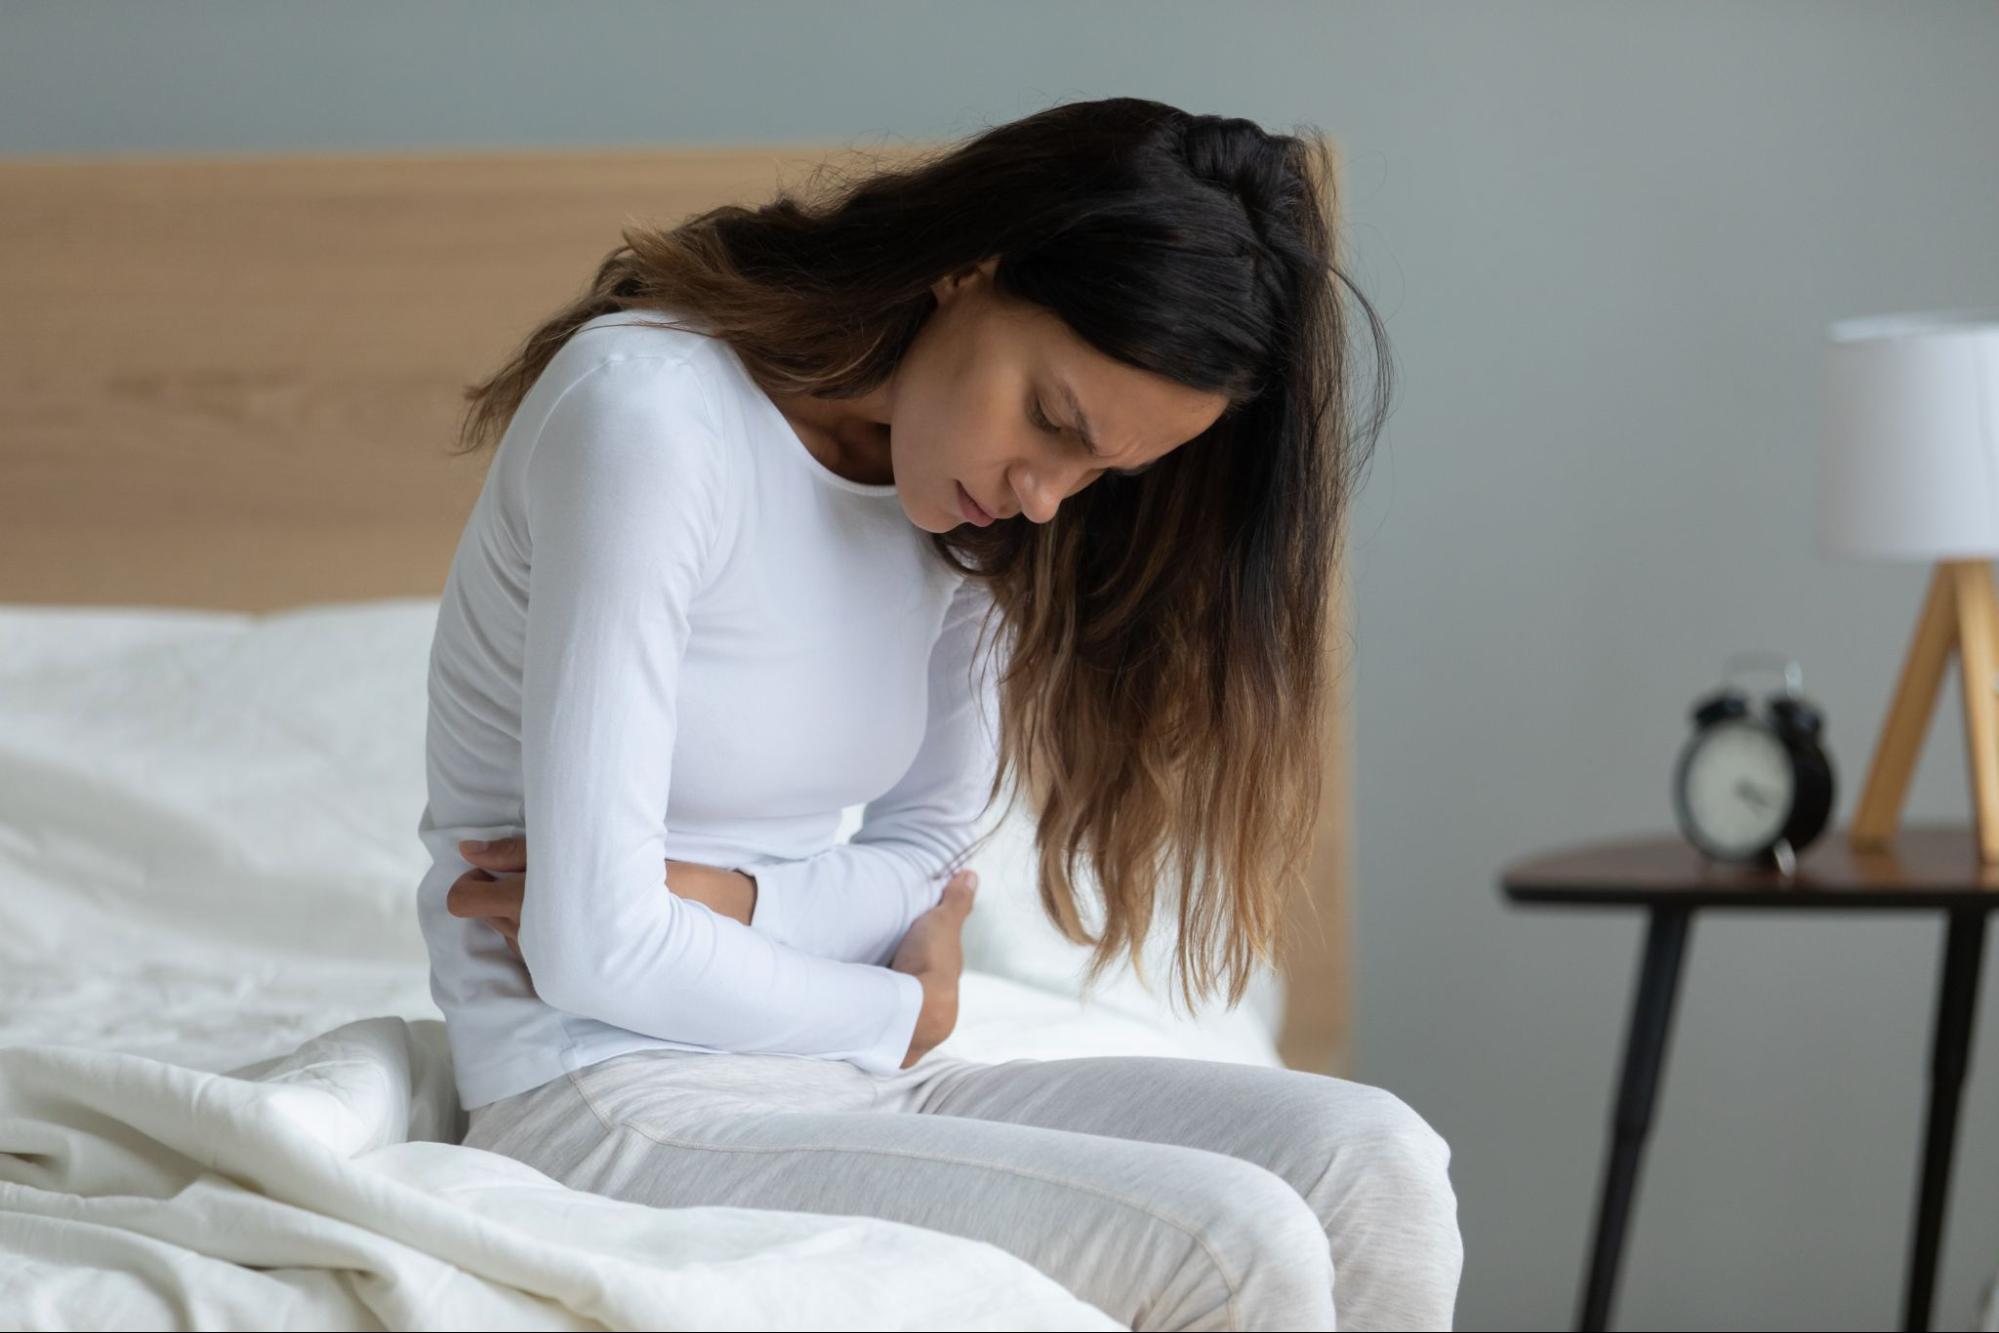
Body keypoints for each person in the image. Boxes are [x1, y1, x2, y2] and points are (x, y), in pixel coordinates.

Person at [416, 95, 1461, 1331]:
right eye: (1053, 420)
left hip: (838, 1077)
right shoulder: (650, 416)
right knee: (1233, 1249)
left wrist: (730, 897)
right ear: (968, 267)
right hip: (605, 1097)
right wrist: (902, 1005)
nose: (1042, 495)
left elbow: (921, 865)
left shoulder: (965, 513)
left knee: (1379, 1159)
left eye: (1099, 472)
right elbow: (595, 952)